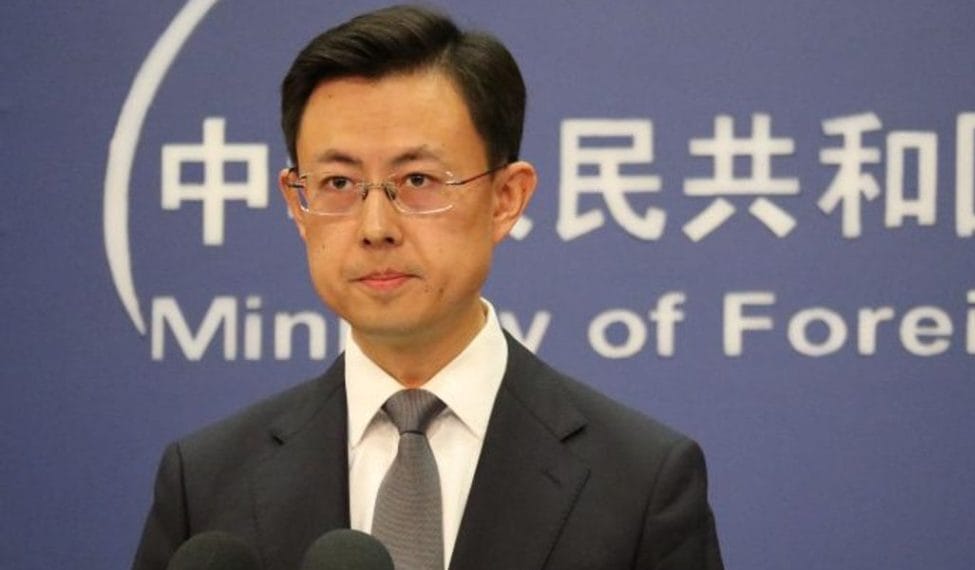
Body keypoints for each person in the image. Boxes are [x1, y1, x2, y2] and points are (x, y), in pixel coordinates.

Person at [131, 5, 723, 570]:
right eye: (338, 182)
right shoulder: (206, 482)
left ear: (506, 198)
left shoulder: (642, 482)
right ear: (296, 202)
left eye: (417, 180)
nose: (375, 227)